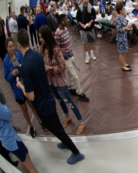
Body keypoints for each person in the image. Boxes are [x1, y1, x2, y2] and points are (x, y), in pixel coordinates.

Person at [15, 29, 85, 165]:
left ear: (18, 45)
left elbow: (30, 95)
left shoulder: (26, 66)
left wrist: (21, 86)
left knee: (57, 128)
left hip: (43, 103)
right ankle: (65, 142)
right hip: (49, 96)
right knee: (58, 124)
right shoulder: (37, 54)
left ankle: (76, 152)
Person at [39, 26, 85, 135]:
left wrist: (51, 68)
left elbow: (63, 66)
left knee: (68, 102)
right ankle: (67, 116)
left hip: (60, 82)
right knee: (60, 101)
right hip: (51, 82)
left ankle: (81, 122)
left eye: (41, 37)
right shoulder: (41, 49)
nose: (40, 39)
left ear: (46, 37)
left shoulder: (56, 49)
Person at [3, 38, 42, 138]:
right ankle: (31, 126)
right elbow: (7, 78)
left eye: (12, 46)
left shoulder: (19, 54)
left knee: (32, 105)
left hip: (25, 85)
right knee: (24, 110)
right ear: (6, 48)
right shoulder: (6, 61)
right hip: (17, 91)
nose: (11, 48)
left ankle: (41, 121)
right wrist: (12, 74)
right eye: (9, 47)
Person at [54, 15, 90, 102]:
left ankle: (70, 88)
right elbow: (57, 48)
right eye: (66, 19)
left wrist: (70, 53)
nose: (68, 20)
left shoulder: (65, 29)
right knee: (74, 76)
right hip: (66, 59)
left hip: (70, 55)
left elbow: (67, 43)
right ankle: (80, 93)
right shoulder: (57, 33)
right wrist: (64, 56)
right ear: (62, 21)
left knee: (69, 74)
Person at [0, 103, 39, 173]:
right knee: (31, 168)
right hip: (12, 140)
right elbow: (8, 115)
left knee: (21, 160)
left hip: (6, 141)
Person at [76, 0, 97, 64]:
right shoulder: (80, 8)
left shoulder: (91, 8)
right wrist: (81, 24)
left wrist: (90, 23)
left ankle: (92, 53)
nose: (85, 0)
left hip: (90, 28)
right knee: (84, 42)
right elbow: (77, 18)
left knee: (91, 41)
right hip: (82, 28)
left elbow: (94, 16)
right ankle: (87, 56)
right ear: (82, 0)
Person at [115, 3, 131, 72]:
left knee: (124, 51)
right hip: (120, 37)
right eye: (123, 8)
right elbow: (119, 29)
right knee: (121, 52)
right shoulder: (118, 18)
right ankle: (123, 66)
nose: (125, 9)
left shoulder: (122, 17)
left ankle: (124, 63)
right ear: (120, 10)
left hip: (124, 36)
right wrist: (127, 27)